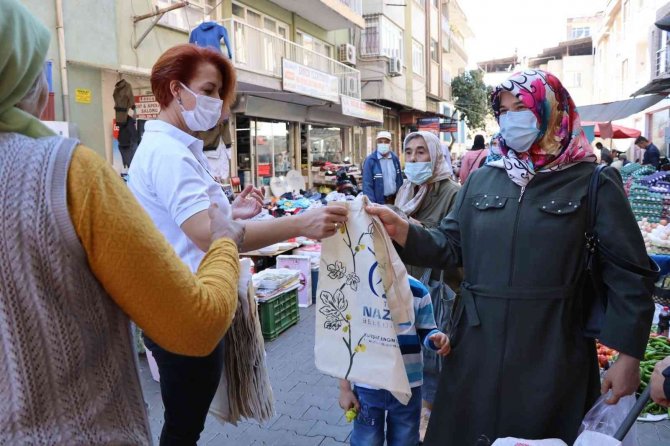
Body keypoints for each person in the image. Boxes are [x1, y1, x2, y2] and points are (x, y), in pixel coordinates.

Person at [0, 1, 245, 443]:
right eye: (41, 69)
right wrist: (226, 241)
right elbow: (193, 324)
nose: (45, 85)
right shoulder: (67, 173)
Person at [367, 70, 656, 445]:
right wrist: (403, 230)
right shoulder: (484, 177)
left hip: (552, 350)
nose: (511, 118)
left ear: (551, 109)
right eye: (504, 110)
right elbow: (452, 245)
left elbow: (630, 274)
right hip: (475, 347)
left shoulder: (593, 182)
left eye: (521, 106)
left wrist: (629, 355)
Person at [127, 44, 348, 445]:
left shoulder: (175, 148)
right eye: (208, 90)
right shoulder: (169, 154)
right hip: (183, 309)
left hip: (183, 303)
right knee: (183, 426)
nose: (217, 105)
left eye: (218, 94)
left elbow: (197, 222)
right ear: (176, 90)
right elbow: (208, 235)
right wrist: (301, 224)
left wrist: (232, 211)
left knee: (184, 420)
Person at [394, 131, 462, 440]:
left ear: (435, 156)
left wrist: (411, 228)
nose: (414, 158)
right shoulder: (406, 191)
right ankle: (414, 414)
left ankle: (433, 423)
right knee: (409, 354)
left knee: (433, 357)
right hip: (405, 287)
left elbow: (454, 245)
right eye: (409, 152)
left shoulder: (453, 193)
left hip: (438, 291)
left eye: (422, 152)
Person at [338, 273, 451, 446]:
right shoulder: (356, 290)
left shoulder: (417, 291)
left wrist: (435, 339)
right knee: (366, 440)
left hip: (408, 386)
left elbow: (426, 330)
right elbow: (345, 340)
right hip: (368, 386)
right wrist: (345, 389)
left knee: (404, 440)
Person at [362, 131, 403, 204]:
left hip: (395, 200)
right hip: (379, 202)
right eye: (380, 142)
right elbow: (367, 185)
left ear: (391, 143)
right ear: (377, 144)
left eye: (386, 142)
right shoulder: (370, 161)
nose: (383, 144)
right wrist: (372, 204)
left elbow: (399, 180)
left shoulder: (395, 159)